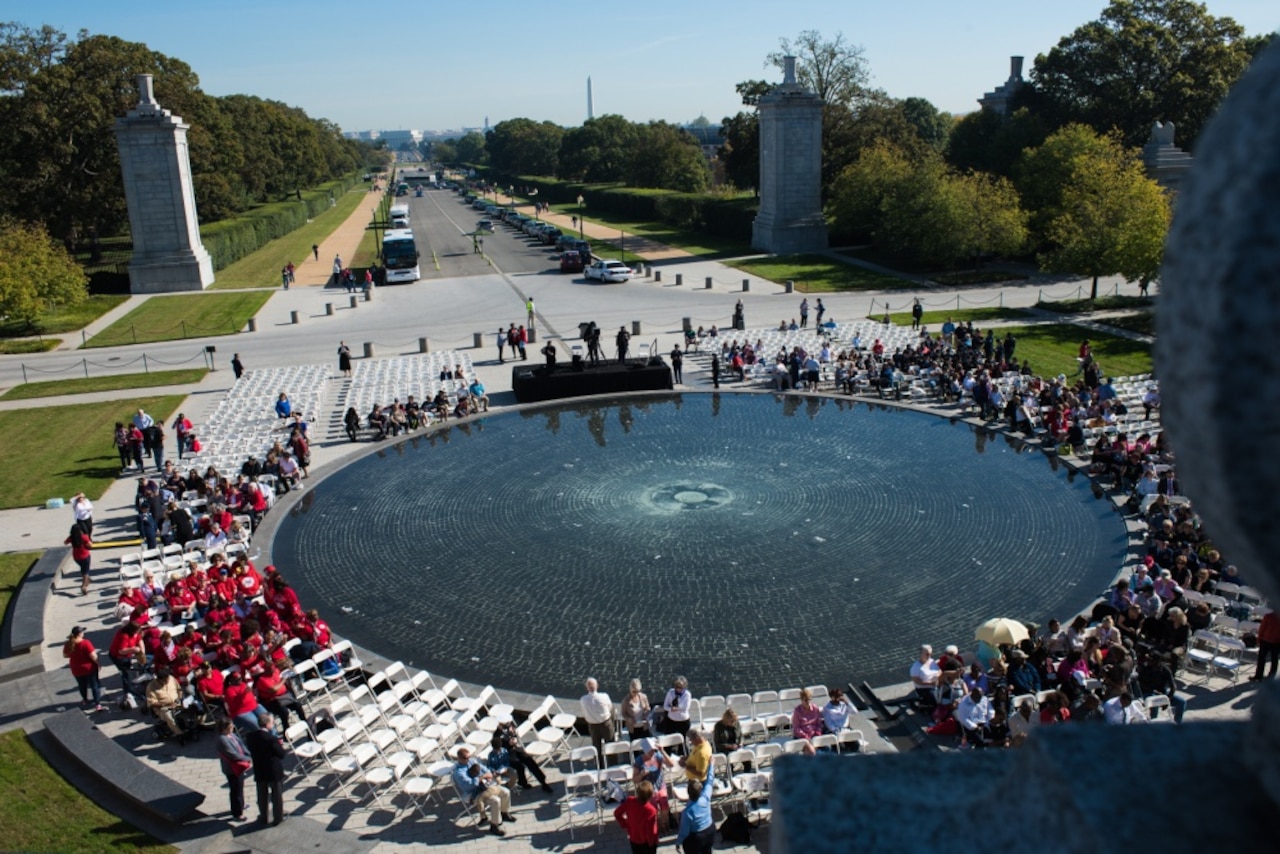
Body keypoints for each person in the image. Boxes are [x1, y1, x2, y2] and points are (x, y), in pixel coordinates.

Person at [453, 747, 513, 837]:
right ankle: (494, 825)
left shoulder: (471, 761)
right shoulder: (459, 772)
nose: (469, 760)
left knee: (506, 792)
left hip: (485, 786)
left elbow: (484, 769)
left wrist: (488, 774)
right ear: (459, 759)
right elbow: (470, 785)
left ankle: (504, 813)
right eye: (466, 758)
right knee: (495, 801)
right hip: (473, 793)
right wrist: (482, 777)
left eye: (469, 757)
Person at [246, 711, 287, 825]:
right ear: (268, 724)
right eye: (272, 722)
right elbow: (281, 754)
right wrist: (281, 745)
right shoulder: (271, 739)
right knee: (276, 796)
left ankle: (264, 817)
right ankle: (278, 817)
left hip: (260, 770)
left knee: (262, 796)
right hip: (273, 771)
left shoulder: (250, 737)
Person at [490, 718, 553, 792]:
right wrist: (508, 744)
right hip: (506, 755)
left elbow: (514, 736)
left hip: (515, 750)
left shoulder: (510, 728)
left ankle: (543, 782)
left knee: (529, 760)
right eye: (504, 725)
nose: (507, 726)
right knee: (520, 766)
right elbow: (499, 750)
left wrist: (514, 737)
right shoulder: (497, 736)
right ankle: (523, 782)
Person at [632, 738, 676, 830]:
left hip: (660, 785)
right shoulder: (639, 761)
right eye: (650, 751)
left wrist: (662, 751)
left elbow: (671, 764)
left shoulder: (658, 756)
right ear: (645, 751)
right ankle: (654, 826)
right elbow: (635, 780)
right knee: (653, 808)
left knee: (664, 805)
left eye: (653, 750)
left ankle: (665, 824)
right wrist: (641, 774)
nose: (652, 753)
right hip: (648, 789)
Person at [674, 761, 716, 854]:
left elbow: (684, 832)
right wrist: (711, 765)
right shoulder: (706, 797)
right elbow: (710, 780)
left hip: (697, 838)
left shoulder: (687, 812)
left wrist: (678, 842)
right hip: (710, 831)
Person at [217, 718, 252, 822]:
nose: (232, 728)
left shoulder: (231, 735)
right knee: (235, 790)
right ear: (224, 728)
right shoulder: (222, 740)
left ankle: (241, 804)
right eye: (230, 727)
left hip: (239, 766)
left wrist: (247, 754)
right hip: (232, 769)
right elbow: (232, 755)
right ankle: (237, 813)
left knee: (240, 787)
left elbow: (241, 745)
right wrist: (247, 759)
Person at [63, 626, 104, 711]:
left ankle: (85, 700)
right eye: (82, 632)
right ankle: (97, 704)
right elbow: (93, 656)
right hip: (89, 668)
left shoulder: (68, 643)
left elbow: (65, 655)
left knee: (82, 685)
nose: (83, 633)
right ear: (79, 634)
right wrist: (98, 664)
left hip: (76, 668)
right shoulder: (85, 643)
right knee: (94, 685)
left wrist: (73, 655)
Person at [614, 779, 659, 854]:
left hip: (633, 838)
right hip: (646, 843)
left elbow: (617, 813)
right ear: (650, 795)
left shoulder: (630, 801)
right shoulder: (651, 810)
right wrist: (653, 843)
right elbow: (651, 830)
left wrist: (625, 824)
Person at [581, 677, 615, 763]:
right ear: (597, 686)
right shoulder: (604, 696)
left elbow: (584, 711)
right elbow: (610, 707)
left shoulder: (583, 699)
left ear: (587, 688)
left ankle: (600, 765)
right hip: (606, 723)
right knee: (610, 744)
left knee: (596, 747)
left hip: (593, 726)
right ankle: (613, 764)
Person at [146, 667, 185, 737]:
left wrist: (179, 698)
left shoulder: (171, 678)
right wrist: (165, 704)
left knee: (192, 706)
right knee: (169, 717)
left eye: (168, 679)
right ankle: (180, 734)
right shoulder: (151, 687)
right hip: (163, 708)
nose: (167, 682)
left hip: (177, 701)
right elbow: (152, 703)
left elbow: (179, 689)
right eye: (165, 681)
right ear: (160, 680)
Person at [1251, 609, 1280, 682]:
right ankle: (1271, 676)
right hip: (1277, 641)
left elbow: (1262, 628)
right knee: (1274, 659)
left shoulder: (1268, 616)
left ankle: (1258, 676)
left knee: (1262, 658)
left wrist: (1259, 638)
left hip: (1265, 640)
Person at [65, 523, 93, 596]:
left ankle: (88, 579)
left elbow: (65, 542)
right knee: (85, 571)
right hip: (85, 556)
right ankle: (84, 586)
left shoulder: (72, 538)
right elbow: (90, 545)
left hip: (76, 557)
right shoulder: (84, 537)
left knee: (83, 569)